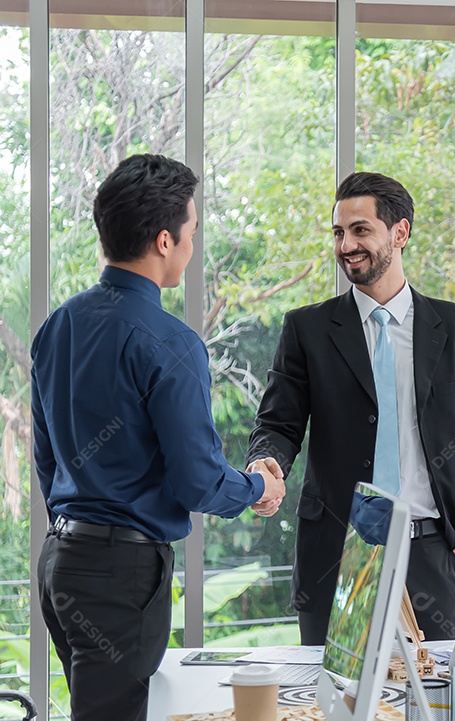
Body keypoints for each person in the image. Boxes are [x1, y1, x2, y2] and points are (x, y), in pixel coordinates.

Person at [31, 154, 286, 721]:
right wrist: (255, 488)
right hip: (119, 575)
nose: (193, 247)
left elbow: (46, 459)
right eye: (192, 233)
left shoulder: (59, 326)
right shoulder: (170, 344)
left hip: (61, 562)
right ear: (165, 240)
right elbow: (196, 481)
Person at [247, 171, 455, 644]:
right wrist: (267, 462)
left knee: (429, 708)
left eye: (360, 230)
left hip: (432, 555)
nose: (346, 245)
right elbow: (278, 424)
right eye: (339, 233)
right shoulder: (307, 330)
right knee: (336, 706)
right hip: (335, 556)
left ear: (399, 233)